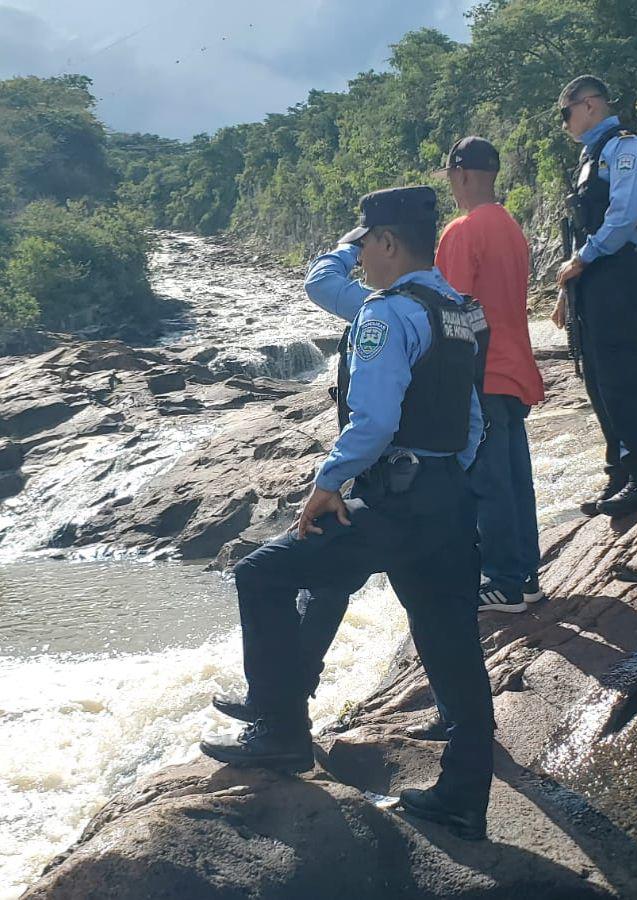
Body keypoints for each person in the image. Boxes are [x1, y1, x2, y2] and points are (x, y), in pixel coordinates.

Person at [200, 187, 494, 841]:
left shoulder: (387, 315)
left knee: (261, 574)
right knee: (451, 643)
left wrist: (328, 481)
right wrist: (448, 474)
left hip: (394, 502)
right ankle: (464, 796)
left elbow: (376, 418)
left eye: (365, 245)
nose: (361, 259)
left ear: (388, 242)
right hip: (448, 498)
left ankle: (278, 730)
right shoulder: (461, 311)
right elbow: (474, 419)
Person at [434, 136, 546, 614]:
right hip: (515, 367)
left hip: (481, 372)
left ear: (459, 176)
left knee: (488, 482)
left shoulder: (462, 230)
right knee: (516, 477)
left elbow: (449, 309)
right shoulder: (510, 226)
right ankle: (526, 577)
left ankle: (502, 580)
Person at [553, 75, 637, 517]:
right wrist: (569, 286)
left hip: (614, 272)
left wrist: (582, 259)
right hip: (589, 279)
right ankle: (619, 473)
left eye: (565, 113)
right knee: (597, 380)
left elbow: (624, 216)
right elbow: (580, 227)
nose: (564, 124)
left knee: (620, 378)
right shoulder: (590, 156)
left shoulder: (626, 147)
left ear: (589, 105)